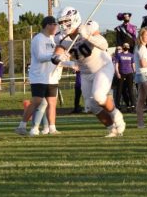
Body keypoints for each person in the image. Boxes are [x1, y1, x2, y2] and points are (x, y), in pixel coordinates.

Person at [52, 7, 126, 137]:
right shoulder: (61, 37)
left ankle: (116, 115)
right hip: (85, 73)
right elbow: (56, 54)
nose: (63, 25)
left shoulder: (88, 27)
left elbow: (104, 45)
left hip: (102, 67)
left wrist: (87, 36)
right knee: (92, 106)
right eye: (61, 22)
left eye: (66, 21)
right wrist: (58, 57)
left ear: (74, 19)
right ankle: (111, 129)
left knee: (99, 96)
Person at [16, 16, 64, 136]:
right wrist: (53, 57)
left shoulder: (53, 40)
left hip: (51, 76)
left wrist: (69, 63)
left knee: (52, 103)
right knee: (36, 101)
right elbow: (40, 57)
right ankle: (22, 126)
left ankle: (52, 128)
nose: (56, 27)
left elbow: (57, 57)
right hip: (39, 76)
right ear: (48, 25)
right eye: (54, 24)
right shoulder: (38, 39)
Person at [113, 42, 136, 110]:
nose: (126, 47)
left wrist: (134, 72)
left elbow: (133, 64)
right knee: (119, 90)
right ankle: (117, 105)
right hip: (121, 73)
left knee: (130, 90)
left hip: (129, 73)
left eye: (127, 46)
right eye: (124, 46)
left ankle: (132, 105)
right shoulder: (119, 55)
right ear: (123, 47)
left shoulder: (131, 55)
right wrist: (117, 73)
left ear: (128, 47)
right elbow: (116, 64)